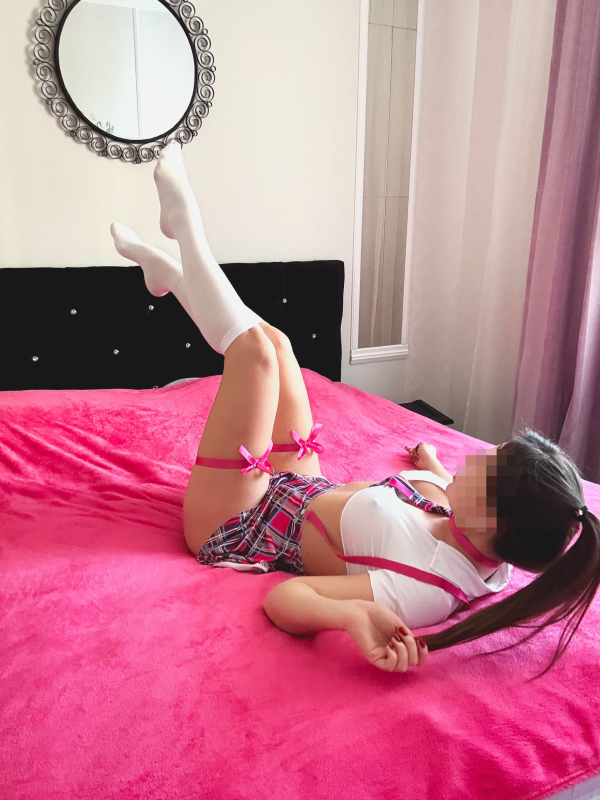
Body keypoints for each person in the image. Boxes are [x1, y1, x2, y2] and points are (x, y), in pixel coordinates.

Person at [110, 141, 600, 678]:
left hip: (242, 523)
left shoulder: (421, 590)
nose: (473, 459)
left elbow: (285, 600)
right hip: (306, 488)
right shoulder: (487, 541)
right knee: (281, 345)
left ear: (492, 516)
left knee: (254, 355)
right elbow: (450, 499)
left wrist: (351, 615)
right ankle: (170, 278)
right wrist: (434, 463)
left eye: (487, 464)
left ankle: (185, 228)